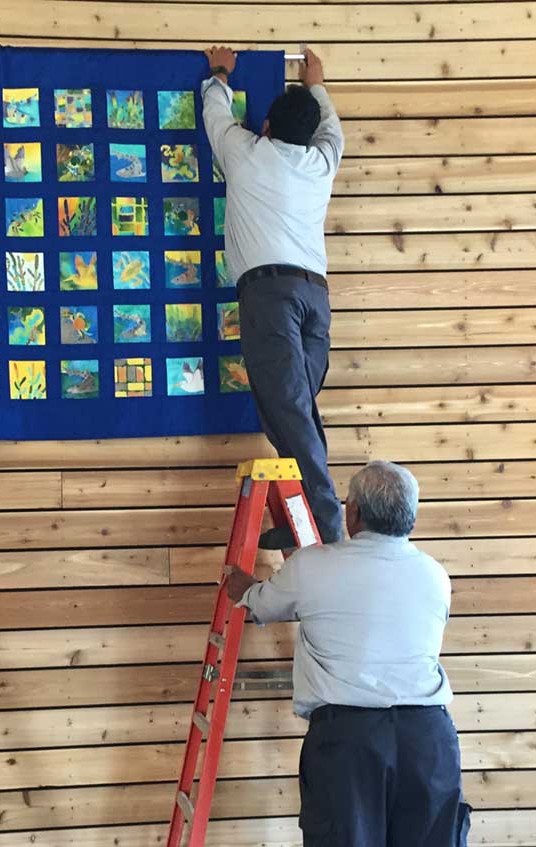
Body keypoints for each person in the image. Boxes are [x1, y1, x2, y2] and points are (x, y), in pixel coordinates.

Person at [222, 462, 473, 847]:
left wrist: (236, 581)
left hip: (349, 744)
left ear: (354, 513)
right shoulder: (434, 576)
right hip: (429, 741)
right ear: (409, 518)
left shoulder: (314, 568)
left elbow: (258, 606)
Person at [200, 46, 347, 547]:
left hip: (271, 295)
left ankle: (329, 534)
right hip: (315, 298)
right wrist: (317, 83)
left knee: (289, 409)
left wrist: (220, 71)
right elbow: (331, 128)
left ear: (264, 125)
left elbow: (215, 113)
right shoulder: (323, 160)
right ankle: (299, 516)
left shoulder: (246, 153)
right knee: (293, 410)